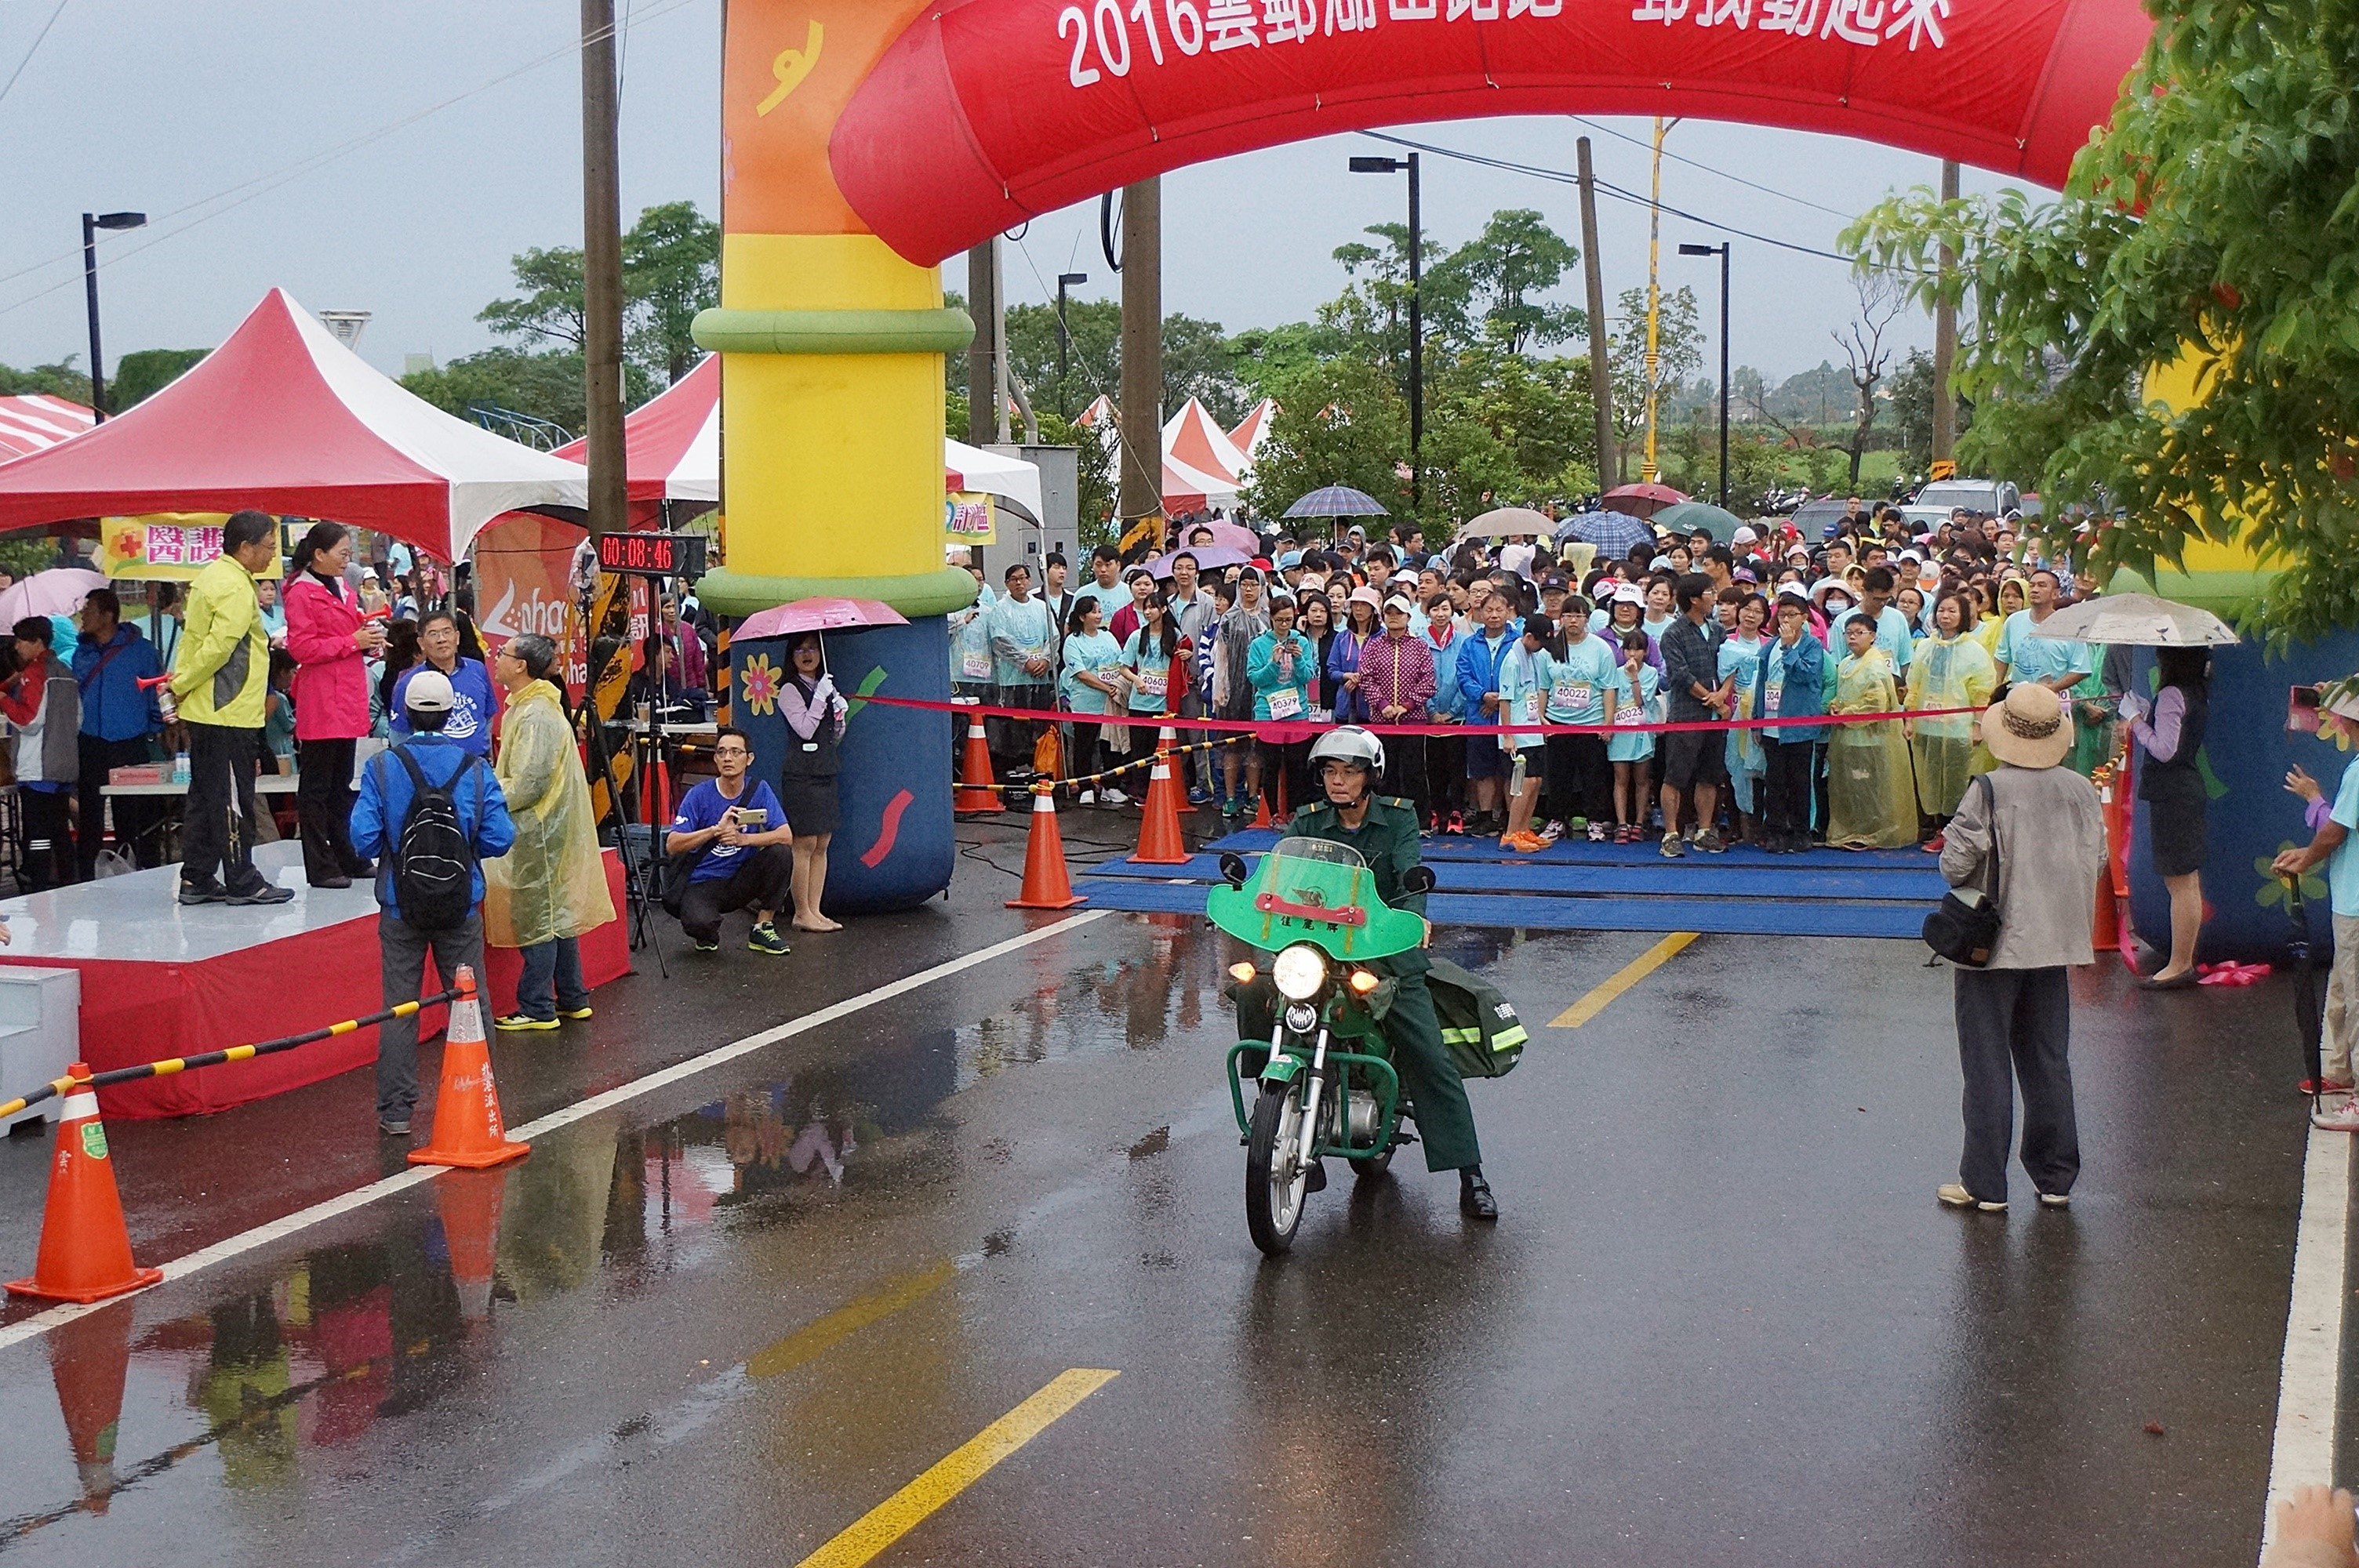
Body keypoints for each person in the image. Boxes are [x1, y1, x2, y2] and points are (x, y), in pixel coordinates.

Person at [1236, 727, 1496, 1220]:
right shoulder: (1308, 823)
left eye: (1350, 772)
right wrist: (1253, 905)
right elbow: (1277, 876)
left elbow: (1409, 873)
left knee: (1427, 1052)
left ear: (1370, 776)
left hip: (1384, 952)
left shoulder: (1398, 817)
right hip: (1319, 949)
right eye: (1331, 772)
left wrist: (1415, 914)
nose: (1339, 782)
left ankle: (1471, 1173)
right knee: (1254, 991)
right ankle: (1275, 1110)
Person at [1936, 683, 2105, 1211]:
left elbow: (1955, 865)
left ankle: (1985, 1183)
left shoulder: (1988, 789)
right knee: (2049, 1060)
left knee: (1986, 1063)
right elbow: (2097, 860)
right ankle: (2055, 1176)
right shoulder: (2080, 789)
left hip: (1995, 943)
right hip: (2057, 941)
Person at [351, 669, 517, 1137]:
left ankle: (397, 1111)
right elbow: (501, 837)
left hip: (400, 904)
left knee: (400, 1007)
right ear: (449, 715)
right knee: (471, 1001)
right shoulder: (476, 768)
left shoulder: (382, 767)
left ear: (402, 713)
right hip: (461, 905)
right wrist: (462, 852)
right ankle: (483, 1095)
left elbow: (361, 838)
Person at [482, 634, 612, 1031]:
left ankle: (537, 1006)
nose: (497, 659)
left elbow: (527, 784)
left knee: (536, 916)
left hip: (536, 828)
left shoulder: (535, 714)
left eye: (503, 654)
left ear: (521, 666)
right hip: (547, 826)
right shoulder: (532, 706)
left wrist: (484, 792)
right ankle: (572, 997)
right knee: (557, 914)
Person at [170, 509, 293, 906]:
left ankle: (197, 877)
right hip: (227, 711)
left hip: (211, 710)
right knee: (233, 797)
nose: (271, 556)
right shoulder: (237, 587)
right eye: (269, 547)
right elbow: (221, 645)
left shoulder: (215, 576)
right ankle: (243, 879)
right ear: (246, 547)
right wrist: (183, 682)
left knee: (206, 797)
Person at [282, 522, 385, 888]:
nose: (347, 560)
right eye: (342, 553)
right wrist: (351, 641)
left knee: (343, 783)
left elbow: (347, 637)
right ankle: (320, 863)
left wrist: (366, 642)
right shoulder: (301, 592)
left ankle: (347, 853)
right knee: (316, 787)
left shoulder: (342, 588)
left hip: (347, 695)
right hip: (323, 698)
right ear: (318, 555)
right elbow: (302, 648)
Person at [2277, 686, 2359, 1122]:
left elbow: (2335, 831)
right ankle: (2343, 1071)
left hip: (2357, 902)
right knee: (2344, 992)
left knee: (2356, 995)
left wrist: (2305, 858)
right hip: (2350, 898)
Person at [2121, 647, 2212, 988]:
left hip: (2173, 793)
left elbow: (2164, 750)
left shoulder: (2174, 693)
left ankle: (2179, 964)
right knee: (2185, 880)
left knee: (2181, 882)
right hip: (2184, 790)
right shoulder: (2197, 690)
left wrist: (2135, 720)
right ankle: (2182, 961)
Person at [664, 726, 796, 955]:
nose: (728, 758)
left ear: (749, 759)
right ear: (715, 759)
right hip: (703, 881)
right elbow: (673, 844)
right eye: (722, 752)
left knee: (780, 853)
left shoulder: (759, 790)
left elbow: (786, 835)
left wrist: (743, 839)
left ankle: (762, 927)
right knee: (700, 924)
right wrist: (715, 831)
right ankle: (706, 932)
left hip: (740, 878)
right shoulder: (698, 795)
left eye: (736, 752)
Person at [71, 588, 165, 877]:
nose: (83, 616)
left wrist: (157, 729)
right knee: (90, 814)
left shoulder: (143, 651)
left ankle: (136, 871)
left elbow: (157, 695)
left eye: (90, 610)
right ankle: (87, 875)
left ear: (108, 616)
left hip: (130, 742)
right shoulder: (81, 652)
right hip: (90, 742)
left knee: (131, 813)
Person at [1906, 591, 1998, 849]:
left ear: (1964, 615)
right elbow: (1914, 684)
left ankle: (1955, 831)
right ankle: (1939, 829)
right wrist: (1910, 719)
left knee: (1957, 781)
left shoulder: (1973, 650)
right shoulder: (1925, 647)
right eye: (1941, 610)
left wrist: (1978, 725)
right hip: (1928, 727)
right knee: (1932, 780)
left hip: (1958, 728)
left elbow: (1981, 691)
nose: (1945, 616)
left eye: (1952, 611)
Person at [1824, 615, 1918, 850]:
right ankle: (1854, 829)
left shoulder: (1875, 665)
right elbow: (1842, 692)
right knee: (1851, 787)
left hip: (1871, 737)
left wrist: (1849, 713)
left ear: (1873, 636)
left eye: (1859, 632)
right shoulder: (1846, 663)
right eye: (1849, 633)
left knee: (1871, 787)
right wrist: (1835, 706)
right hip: (1847, 736)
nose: (1852, 637)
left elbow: (1877, 703)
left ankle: (1874, 832)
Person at [777, 633, 849, 933]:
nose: (807, 655)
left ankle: (816, 910)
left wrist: (839, 714)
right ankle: (801, 912)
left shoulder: (827, 689)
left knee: (822, 843)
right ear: (791, 656)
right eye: (800, 649)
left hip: (825, 768)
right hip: (801, 773)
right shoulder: (789, 691)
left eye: (812, 648)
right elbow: (805, 729)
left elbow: (832, 737)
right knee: (804, 842)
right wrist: (820, 698)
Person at [1, 619, 79, 891]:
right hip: (65, 762)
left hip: (38, 766)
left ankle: (40, 890)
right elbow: (78, 719)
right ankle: (69, 885)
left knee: (37, 833)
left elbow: (28, 719)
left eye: (21, 640)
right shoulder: (65, 672)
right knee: (60, 831)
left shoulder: (34, 674)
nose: (17, 645)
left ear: (37, 643)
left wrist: (3, 700)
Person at [1657, 573, 1728, 857]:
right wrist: (1711, 699)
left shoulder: (1718, 629)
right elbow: (1680, 675)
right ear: (1695, 599)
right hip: (1686, 714)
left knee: (1710, 776)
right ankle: (1671, 833)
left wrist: (1722, 694)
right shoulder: (1673, 633)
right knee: (1675, 776)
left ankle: (1704, 830)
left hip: (1715, 716)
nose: (1714, 597)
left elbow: (1729, 664)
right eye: (1709, 592)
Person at [1752, 589, 1828, 854]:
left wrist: (1788, 650)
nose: (1786, 620)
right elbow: (1760, 684)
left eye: (1792, 615)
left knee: (1800, 782)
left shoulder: (1812, 645)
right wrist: (1756, 721)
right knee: (1774, 782)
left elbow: (1806, 676)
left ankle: (1801, 830)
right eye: (1782, 615)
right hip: (1772, 725)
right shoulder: (1769, 646)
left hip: (1799, 727)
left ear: (1804, 617)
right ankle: (1774, 830)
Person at [1359, 593, 1437, 815]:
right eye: (1389, 613)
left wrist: (1407, 706)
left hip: (1413, 721)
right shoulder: (1373, 646)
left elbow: (1428, 681)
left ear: (1408, 616)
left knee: (1414, 772)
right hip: (1381, 720)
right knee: (1385, 770)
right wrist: (1382, 705)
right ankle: (1384, 817)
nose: (1394, 617)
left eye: (1399, 613)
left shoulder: (1419, 646)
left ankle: (1418, 818)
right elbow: (1366, 678)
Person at [391, 610, 499, 757]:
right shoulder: (410, 683)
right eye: (433, 634)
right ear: (421, 643)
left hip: (476, 764)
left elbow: (487, 716)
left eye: (447, 632)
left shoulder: (477, 669)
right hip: (432, 769)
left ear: (457, 637)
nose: (441, 639)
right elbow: (399, 734)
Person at [1454, 591, 1518, 837]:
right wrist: (1483, 696)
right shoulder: (1470, 644)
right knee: (1482, 771)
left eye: (1498, 610)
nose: (1493, 615)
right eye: (1488, 610)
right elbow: (1463, 676)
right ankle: (1484, 816)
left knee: (1508, 770)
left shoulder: (1517, 642)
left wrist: (1500, 698)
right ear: (1480, 613)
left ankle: (1509, 818)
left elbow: (1523, 676)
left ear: (1508, 611)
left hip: (1509, 717)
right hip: (1478, 714)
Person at [1247, 593, 1317, 817]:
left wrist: (1298, 659)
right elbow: (1256, 679)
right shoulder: (1259, 644)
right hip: (1269, 711)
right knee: (1272, 765)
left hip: (1298, 711)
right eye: (1280, 621)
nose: (1284, 625)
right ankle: (1275, 814)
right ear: (1272, 619)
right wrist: (1274, 663)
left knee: (1298, 765)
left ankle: (1296, 812)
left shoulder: (1302, 641)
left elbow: (1308, 678)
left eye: (1288, 620)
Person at [985, 562, 1055, 776]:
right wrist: (1026, 662)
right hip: (1012, 679)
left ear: (1030, 581)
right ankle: (1011, 769)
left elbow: (1053, 636)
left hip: (1040, 678)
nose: (1019, 582)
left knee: (1038, 725)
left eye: (1023, 578)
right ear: (1007, 584)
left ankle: (1038, 766)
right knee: (1013, 728)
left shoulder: (1042, 607)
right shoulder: (1000, 609)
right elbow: (1000, 641)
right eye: (1014, 579)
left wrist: (1046, 660)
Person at [1496, 615, 1557, 851]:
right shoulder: (1512, 661)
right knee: (1523, 782)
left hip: (1532, 729)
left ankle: (1524, 828)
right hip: (1518, 733)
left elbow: (1531, 694)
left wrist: (1540, 718)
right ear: (1529, 637)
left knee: (1536, 781)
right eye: (1539, 641)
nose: (1541, 647)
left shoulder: (1532, 658)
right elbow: (1506, 700)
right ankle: (1510, 834)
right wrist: (1508, 735)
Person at [1059, 599, 1129, 806]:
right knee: (1084, 746)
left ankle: (1111, 785)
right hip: (1086, 702)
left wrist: (1116, 685)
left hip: (1111, 701)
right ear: (1082, 617)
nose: (1098, 616)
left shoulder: (1108, 637)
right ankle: (1085, 787)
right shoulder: (1073, 641)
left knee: (1110, 745)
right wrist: (1105, 687)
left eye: (1099, 611)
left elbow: (1120, 662)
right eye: (1093, 612)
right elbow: (1081, 673)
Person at [1605, 629, 1662, 843]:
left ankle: (1639, 822)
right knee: (1620, 779)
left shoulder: (1651, 673)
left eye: (1637, 649)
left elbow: (1641, 701)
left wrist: (1635, 677)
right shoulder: (1615, 672)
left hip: (1642, 733)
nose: (1632, 654)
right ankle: (1622, 823)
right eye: (1628, 648)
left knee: (1642, 779)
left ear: (1645, 651)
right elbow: (1610, 700)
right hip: (1620, 732)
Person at [1994, 568, 2092, 692]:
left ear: (2055, 594)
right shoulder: (2013, 621)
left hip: (2053, 699)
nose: (2035, 590)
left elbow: (2081, 670)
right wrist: (1997, 685)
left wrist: (2053, 688)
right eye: (2032, 585)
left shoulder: (2070, 627)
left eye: (2042, 586)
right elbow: (2002, 657)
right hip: (2017, 695)